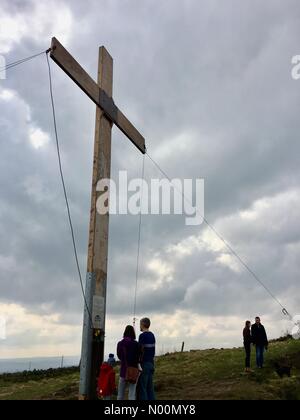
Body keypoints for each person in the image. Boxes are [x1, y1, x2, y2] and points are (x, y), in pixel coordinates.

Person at [117, 325, 139, 400]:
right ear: (133, 333)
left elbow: (119, 356)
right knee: (132, 394)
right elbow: (138, 356)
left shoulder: (120, 343)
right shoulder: (136, 344)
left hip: (124, 371)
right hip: (133, 370)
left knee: (120, 394)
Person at [138, 317, 156, 400]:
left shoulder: (142, 336)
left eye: (140, 324)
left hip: (144, 364)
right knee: (150, 388)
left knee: (143, 387)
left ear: (143, 325)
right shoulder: (152, 335)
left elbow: (140, 350)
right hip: (151, 363)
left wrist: (138, 362)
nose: (139, 326)